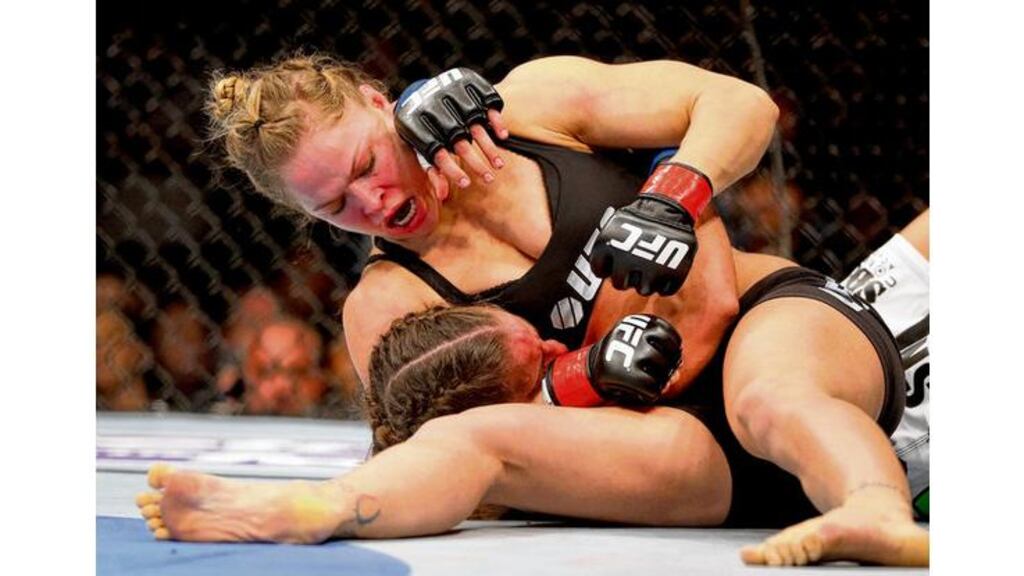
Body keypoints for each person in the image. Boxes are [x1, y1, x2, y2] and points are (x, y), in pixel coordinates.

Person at [190, 52, 925, 565]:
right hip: (670, 449)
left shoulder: (530, 107)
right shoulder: (387, 300)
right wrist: (578, 377)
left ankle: (873, 512)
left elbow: (738, 103)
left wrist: (673, 196)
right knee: (473, 441)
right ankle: (316, 512)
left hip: (763, 327)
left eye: (364, 166)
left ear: (385, 106)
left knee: (771, 395)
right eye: (335, 205)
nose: (372, 203)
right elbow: (439, 444)